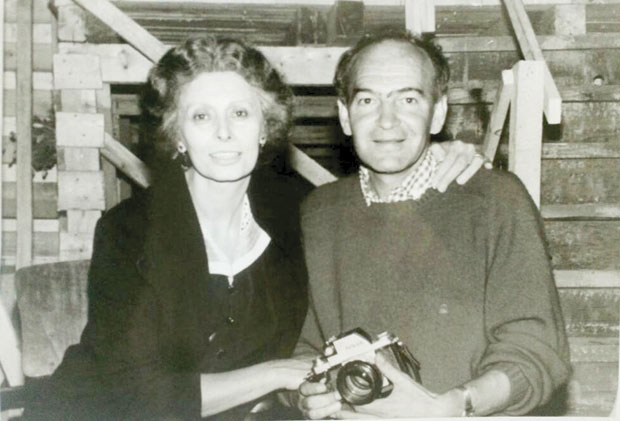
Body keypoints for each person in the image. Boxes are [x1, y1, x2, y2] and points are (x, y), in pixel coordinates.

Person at [24, 35, 484, 421]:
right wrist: (278, 373)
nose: (224, 133)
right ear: (177, 135)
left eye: (240, 114)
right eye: (201, 116)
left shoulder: (298, 215)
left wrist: (441, 154)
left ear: (265, 128)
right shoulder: (128, 230)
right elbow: (137, 394)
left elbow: (375, 201)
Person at [291, 30, 571, 419]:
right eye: (368, 100)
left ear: (438, 112)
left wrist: (451, 406)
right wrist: (306, 394)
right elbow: (304, 348)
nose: (386, 121)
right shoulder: (317, 213)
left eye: (408, 99)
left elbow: (536, 350)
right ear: (345, 116)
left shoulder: (496, 200)